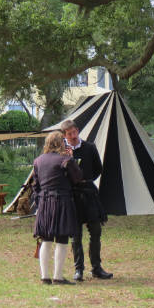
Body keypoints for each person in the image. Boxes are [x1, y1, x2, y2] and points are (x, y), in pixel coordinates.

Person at [61, 119, 113, 281]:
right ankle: (79, 269)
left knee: (96, 231)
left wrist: (85, 179)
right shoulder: (62, 151)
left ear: (77, 130)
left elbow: (98, 168)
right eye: (69, 134)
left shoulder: (89, 148)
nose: (73, 136)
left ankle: (97, 268)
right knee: (76, 235)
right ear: (65, 135)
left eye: (75, 132)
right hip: (72, 196)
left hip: (89, 194)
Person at [33, 131, 83, 285]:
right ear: (61, 142)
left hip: (45, 202)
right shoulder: (65, 160)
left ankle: (45, 277)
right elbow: (78, 178)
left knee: (46, 240)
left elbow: (36, 186)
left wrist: (39, 201)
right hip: (61, 201)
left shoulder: (38, 161)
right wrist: (72, 160)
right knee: (61, 240)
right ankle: (58, 277)